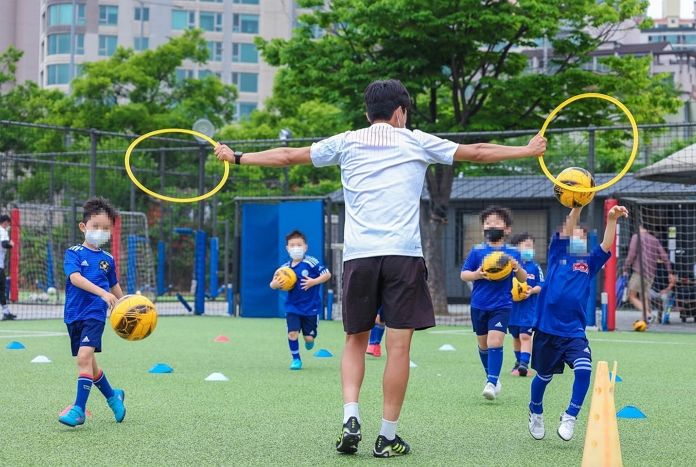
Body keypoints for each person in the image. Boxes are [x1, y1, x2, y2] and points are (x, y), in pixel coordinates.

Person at [215, 79, 547, 457]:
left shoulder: (346, 141)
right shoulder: (416, 140)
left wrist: (237, 157)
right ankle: (387, 436)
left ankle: (350, 416)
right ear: (401, 111)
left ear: (366, 112)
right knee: (398, 347)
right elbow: (479, 151)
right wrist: (527, 148)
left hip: (359, 256)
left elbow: (289, 155)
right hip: (403, 257)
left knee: (355, 340)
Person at [528, 205, 628, 442]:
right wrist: (577, 207)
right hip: (547, 330)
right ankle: (535, 410)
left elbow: (605, 245)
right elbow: (568, 228)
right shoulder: (557, 255)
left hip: (573, 332)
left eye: (583, 237)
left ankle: (570, 415)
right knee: (543, 376)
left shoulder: (588, 262)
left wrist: (612, 219)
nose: (578, 239)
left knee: (584, 371)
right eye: (575, 235)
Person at [59, 197, 126, 427]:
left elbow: (115, 286)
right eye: (96, 226)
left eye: (106, 228)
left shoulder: (108, 260)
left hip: (95, 315)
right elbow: (75, 278)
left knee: (84, 358)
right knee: (91, 365)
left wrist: (125, 303)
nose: (101, 232)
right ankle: (113, 395)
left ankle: (79, 409)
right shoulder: (74, 253)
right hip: (73, 315)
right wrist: (102, 292)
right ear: (83, 227)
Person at [460, 206, 527, 400]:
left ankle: (491, 381)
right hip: (479, 305)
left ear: (507, 229)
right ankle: (493, 378)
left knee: (494, 341)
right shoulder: (477, 251)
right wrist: (476, 274)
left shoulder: (512, 253)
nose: (492, 225)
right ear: (483, 228)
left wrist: (516, 267)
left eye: (497, 222)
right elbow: (464, 274)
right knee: (483, 346)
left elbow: (523, 279)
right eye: (488, 223)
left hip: (502, 305)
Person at [270, 230, 331, 370]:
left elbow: (327, 274)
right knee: (292, 333)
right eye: (292, 245)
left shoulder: (311, 262)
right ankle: (296, 359)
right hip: (293, 307)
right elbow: (272, 283)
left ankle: (310, 339)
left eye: (299, 244)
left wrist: (313, 282)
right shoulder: (284, 269)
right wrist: (275, 284)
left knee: (308, 338)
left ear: (305, 247)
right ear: (287, 248)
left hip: (311, 307)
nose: (296, 247)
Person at [623, 224, 676, 324]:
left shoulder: (636, 237)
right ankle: (646, 321)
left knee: (631, 296)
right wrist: (670, 272)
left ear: (639, 226)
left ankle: (648, 315)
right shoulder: (654, 239)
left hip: (639, 271)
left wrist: (625, 267)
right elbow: (664, 256)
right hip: (651, 274)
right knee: (644, 297)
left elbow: (631, 254)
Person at [508, 233, 543, 377]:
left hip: (529, 309)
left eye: (532, 246)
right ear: (517, 248)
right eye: (527, 245)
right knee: (516, 337)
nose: (530, 249)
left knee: (525, 336)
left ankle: (524, 363)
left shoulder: (535, 267)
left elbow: (542, 285)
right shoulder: (509, 267)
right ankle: (518, 362)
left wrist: (532, 290)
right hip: (512, 310)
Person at [0, 214, 16, 321]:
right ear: (5, 222)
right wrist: (11, 244)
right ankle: (6, 312)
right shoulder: (2, 231)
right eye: (8, 223)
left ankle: (6, 312)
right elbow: (5, 244)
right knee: (2, 289)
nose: (8, 225)